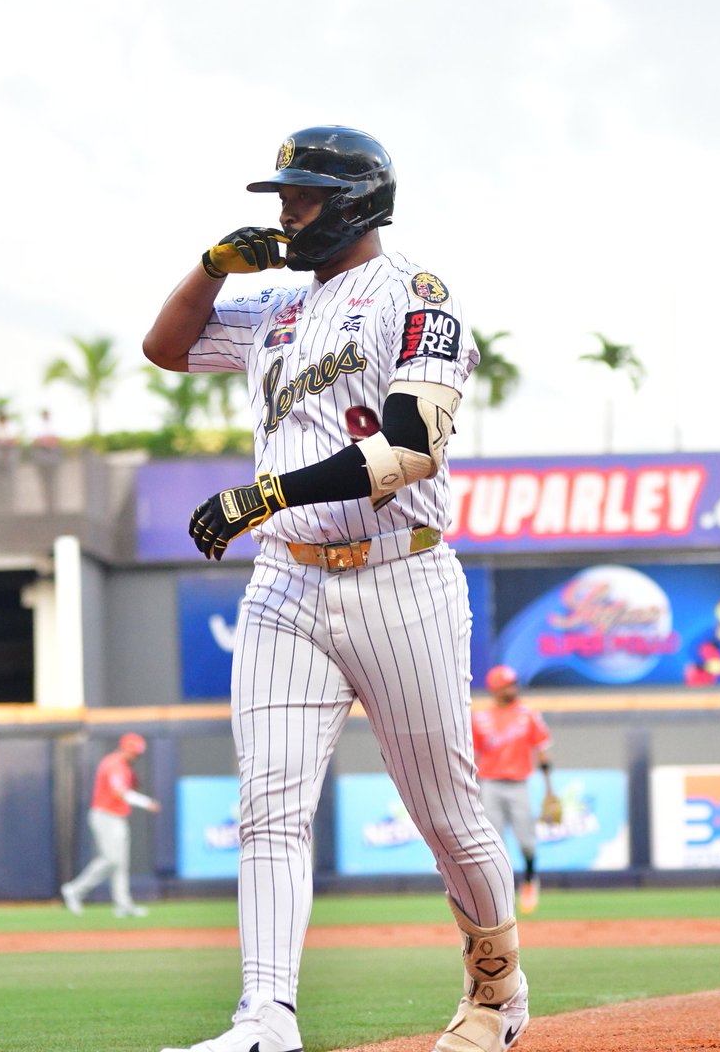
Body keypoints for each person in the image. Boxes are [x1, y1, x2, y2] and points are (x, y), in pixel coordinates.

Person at [143, 125, 530, 1052]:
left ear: (355, 200)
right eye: (281, 194)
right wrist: (210, 267)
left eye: (302, 194)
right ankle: (265, 1019)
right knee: (268, 806)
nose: (283, 211)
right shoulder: (276, 304)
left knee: (447, 817)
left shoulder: (418, 294)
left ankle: (497, 992)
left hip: (402, 575)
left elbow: (409, 446)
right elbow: (165, 347)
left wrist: (265, 490)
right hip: (285, 581)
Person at [471, 665, 556, 915]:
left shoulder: (528, 715)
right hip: (490, 784)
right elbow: (472, 757)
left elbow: (542, 751)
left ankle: (530, 880)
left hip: (519, 785)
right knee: (493, 843)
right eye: (508, 685)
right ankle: (500, 891)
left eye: (514, 683)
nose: (513, 688)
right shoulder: (480, 718)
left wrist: (550, 791)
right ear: (496, 689)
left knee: (527, 842)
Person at [61, 733, 161, 918]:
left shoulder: (123, 766)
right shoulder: (114, 764)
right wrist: (147, 803)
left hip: (117, 817)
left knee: (121, 863)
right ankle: (75, 889)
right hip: (106, 816)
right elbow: (119, 793)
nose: (136, 756)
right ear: (125, 748)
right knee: (111, 859)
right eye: (134, 752)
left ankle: (122, 904)